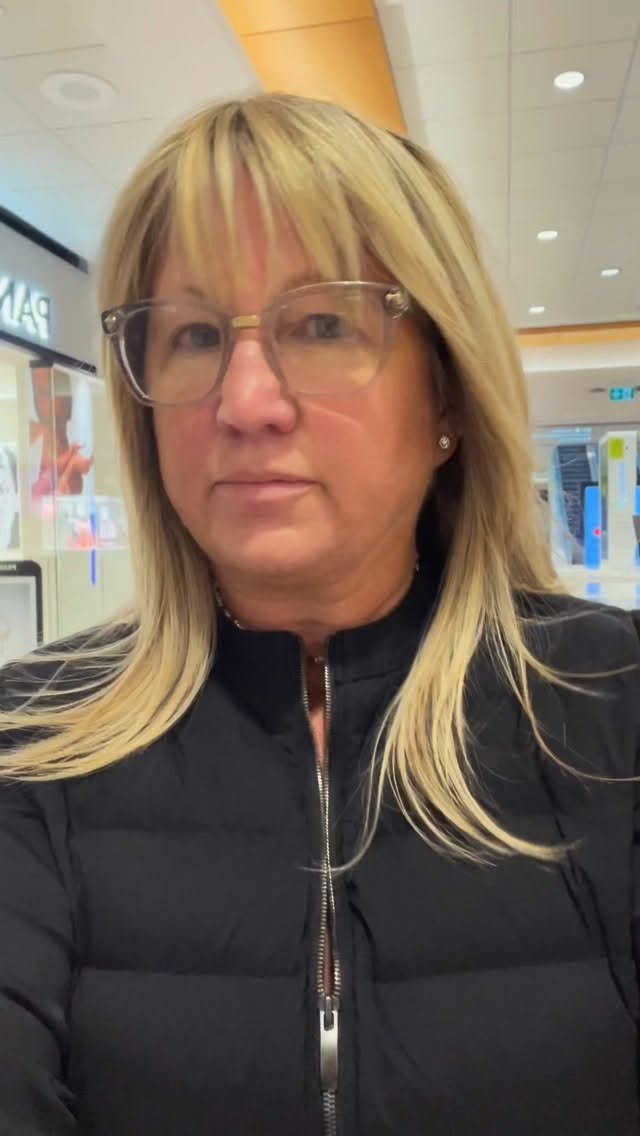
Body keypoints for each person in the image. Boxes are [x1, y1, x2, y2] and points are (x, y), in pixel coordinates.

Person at [0, 93, 638, 1136]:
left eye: (324, 323)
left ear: (446, 393)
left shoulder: (614, 706)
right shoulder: (30, 742)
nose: (245, 402)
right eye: (194, 334)